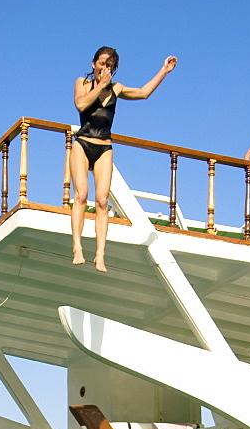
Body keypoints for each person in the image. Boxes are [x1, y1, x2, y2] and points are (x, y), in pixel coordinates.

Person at [71, 47, 178, 272]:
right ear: (94, 64)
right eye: (102, 64)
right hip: (82, 143)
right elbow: (81, 105)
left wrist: (164, 71)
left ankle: (100, 255)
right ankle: (77, 248)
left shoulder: (116, 89)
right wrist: (99, 85)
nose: (105, 69)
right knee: (81, 195)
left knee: (101, 201)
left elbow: (143, 93)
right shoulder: (82, 82)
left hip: (104, 147)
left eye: (109, 66)